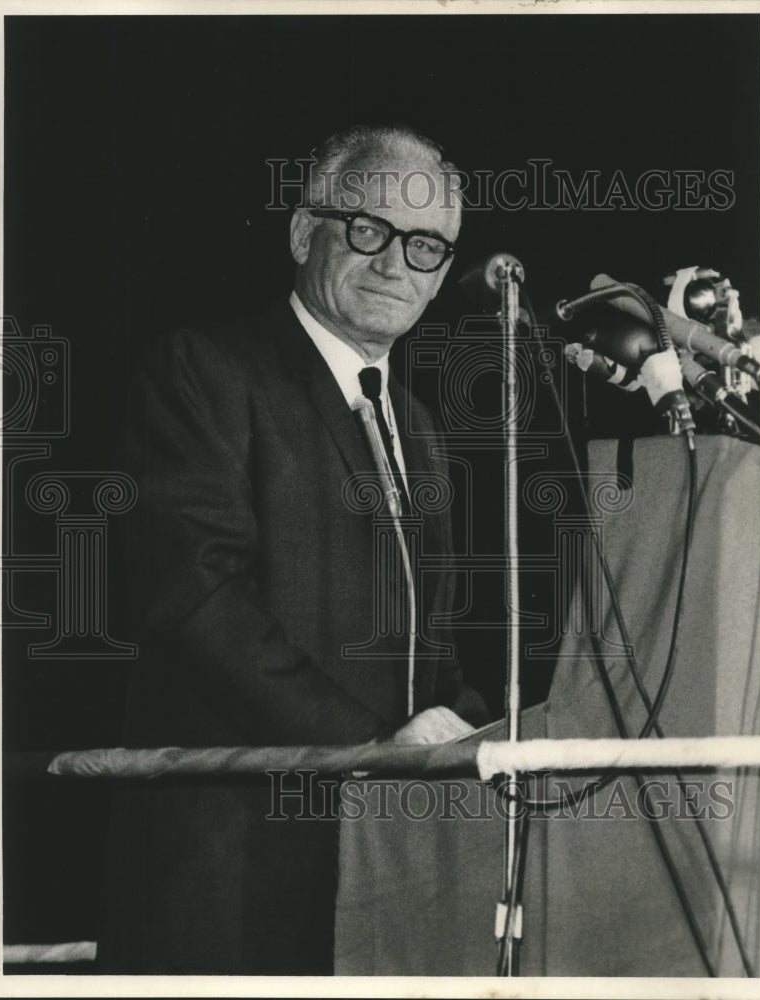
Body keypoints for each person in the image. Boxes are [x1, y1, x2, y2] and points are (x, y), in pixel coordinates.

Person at [98, 124, 488, 975]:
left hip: (388, 865)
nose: (395, 264)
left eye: (425, 246)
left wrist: (471, 733)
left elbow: (433, 634)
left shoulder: (419, 430)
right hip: (234, 862)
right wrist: (373, 752)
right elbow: (196, 600)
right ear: (304, 232)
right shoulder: (203, 371)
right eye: (368, 229)